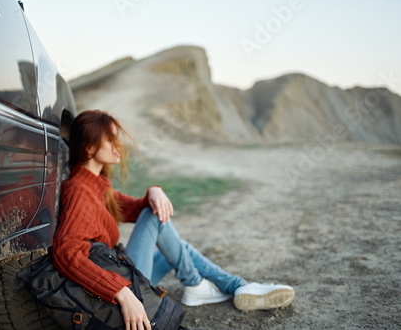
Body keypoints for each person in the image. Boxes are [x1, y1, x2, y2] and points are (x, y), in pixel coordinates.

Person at [52, 110, 295, 330]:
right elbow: (66, 252)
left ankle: (233, 286)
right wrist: (121, 292)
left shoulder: (96, 187)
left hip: (124, 271)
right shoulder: (79, 191)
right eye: (111, 139)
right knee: (155, 216)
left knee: (178, 248)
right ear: (89, 148)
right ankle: (210, 285)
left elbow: (133, 208)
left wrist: (154, 191)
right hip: (118, 283)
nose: (119, 146)